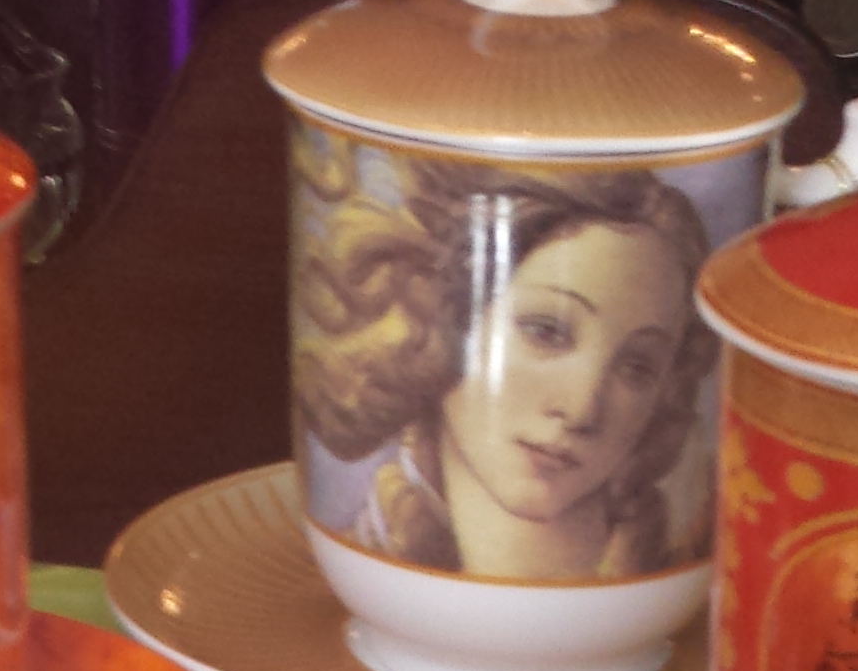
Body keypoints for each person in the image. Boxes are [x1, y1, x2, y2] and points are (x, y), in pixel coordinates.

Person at [293, 142, 716, 582]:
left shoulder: (678, 563)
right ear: (442, 316)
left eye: (637, 367)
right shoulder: (365, 550)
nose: (581, 410)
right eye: (546, 331)